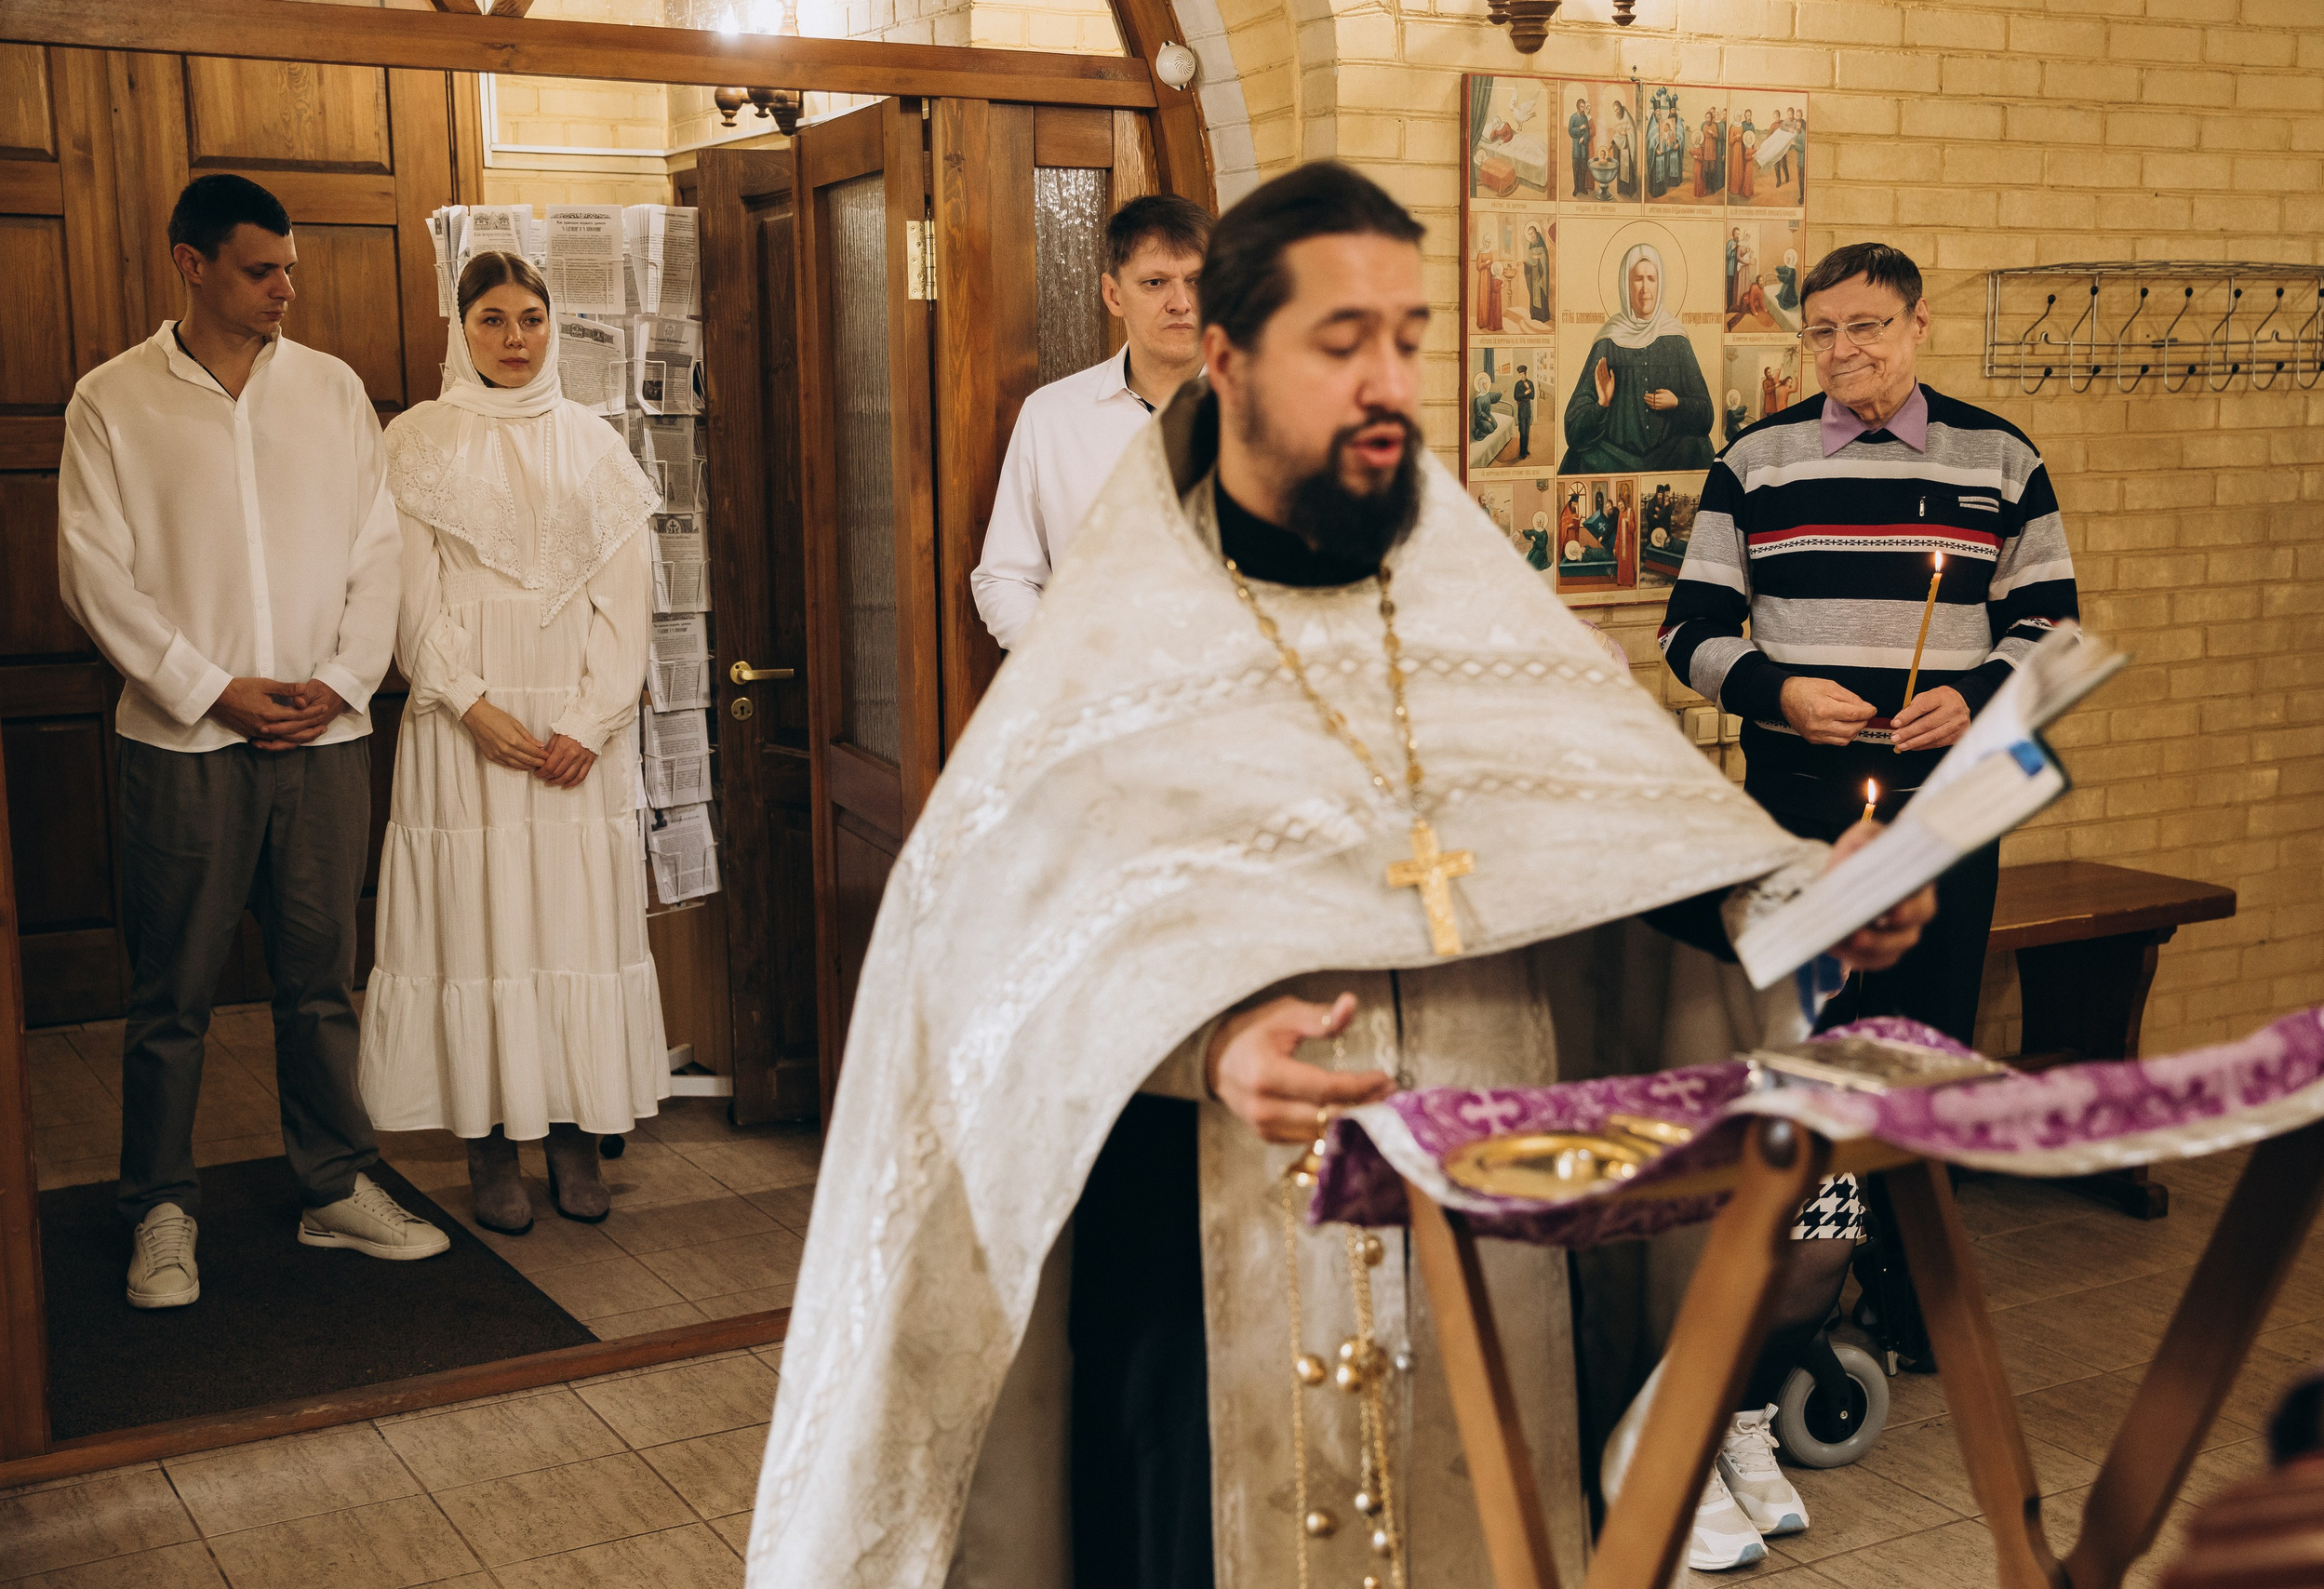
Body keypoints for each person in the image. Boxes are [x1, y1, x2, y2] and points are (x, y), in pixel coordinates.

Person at [744, 162, 1933, 1589]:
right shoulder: (1124, 620)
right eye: (1338, 340)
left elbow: (1599, 817)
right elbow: (989, 941)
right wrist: (1198, 1046)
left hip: (1483, 1212)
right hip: (1203, 1223)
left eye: (1408, 338)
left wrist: (1789, 900)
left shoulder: (1456, 574)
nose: (1386, 383)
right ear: (1231, 359)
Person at [57, 173, 447, 1311]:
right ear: (191, 263)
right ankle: (161, 1210)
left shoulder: (332, 393)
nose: (285, 288)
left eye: (290, 269)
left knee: (320, 981)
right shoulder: (111, 401)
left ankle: (335, 1184)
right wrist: (208, 687)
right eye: (260, 269)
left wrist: (334, 684)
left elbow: (381, 553)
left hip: (325, 739)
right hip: (181, 743)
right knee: (171, 988)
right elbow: (93, 570)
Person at [1660, 240, 2078, 1046]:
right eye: (1820, 332)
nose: (1841, 350)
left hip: (1943, 812)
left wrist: (1974, 697)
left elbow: (2050, 629)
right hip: (1795, 801)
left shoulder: (2002, 458)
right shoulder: (1752, 464)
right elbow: (1689, 631)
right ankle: (1809, 1180)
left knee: (1920, 1044)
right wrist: (1779, 693)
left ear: (1919, 321)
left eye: (1864, 326)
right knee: (1796, 1038)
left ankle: (1909, 1179)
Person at [355, 249, 666, 1231]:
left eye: (530, 318)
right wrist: (468, 701)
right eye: (492, 319)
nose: (515, 339)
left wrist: (588, 720)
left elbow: (629, 602)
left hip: (576, 737)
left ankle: (572, 1135)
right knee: (475, 927)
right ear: (461, 327)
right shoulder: (415, 441)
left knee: (569, 926)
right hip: (464, 733)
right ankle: (488, 1148)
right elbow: (406, 597)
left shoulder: (598, 445)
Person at [968, 194, 1211, 650]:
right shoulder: (1052, 416)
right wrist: (1062, 667)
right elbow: (1005, 578)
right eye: (1155, 282)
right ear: (1113, 294)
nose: (1181, 302)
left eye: (1197, 281)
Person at [1558, 244, 1716, 474]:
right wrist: (1602, 403)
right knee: (1578, 458)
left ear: (1660, 283)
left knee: (1699, 448)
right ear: (1625, 284)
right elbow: (1573, 431)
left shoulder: (1676, 339)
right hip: (1616, 457)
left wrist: (1677, 404)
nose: (1645, 289)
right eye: (1637, 279)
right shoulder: (1608, 340)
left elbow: (1706, 415)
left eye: (1651, 278)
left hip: (1670, 454)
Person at [1511, 360, 1538, 461]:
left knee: (1527, 431)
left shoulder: (1530, 383)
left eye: (1522, 373)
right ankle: (1522, 452)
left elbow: (1533, 396)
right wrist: (1526, 392)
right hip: (1521, 408)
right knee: (1522, 431)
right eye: (1520, 374)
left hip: (1528, 408)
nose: (1521, 375)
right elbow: (1516, 396)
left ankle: (1525, 449)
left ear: (1525, 373)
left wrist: (1528, 389)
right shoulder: (1518, 384)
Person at [1568, 97, 1593, 197]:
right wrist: (1579, 129)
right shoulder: (1573, 117)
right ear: (1578, 107)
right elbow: (1570, 131)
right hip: (1576, 149)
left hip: (1583, 149)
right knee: (1576, 169)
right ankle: (1576, 188)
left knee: (1583, 169)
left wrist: (1583, 137)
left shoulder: (1585, 118)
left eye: (1584, 107)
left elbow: (1587, 132)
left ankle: (1582, 188)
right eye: (1581, 107)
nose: (1583, 109)